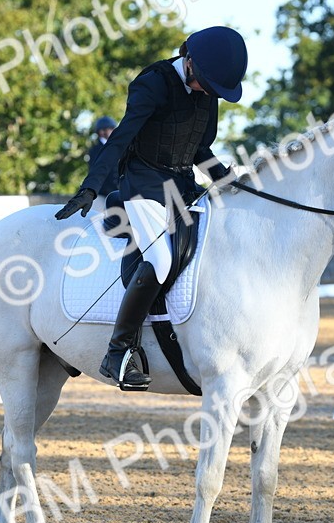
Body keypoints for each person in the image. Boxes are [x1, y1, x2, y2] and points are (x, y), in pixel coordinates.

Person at [55, 26, 247, 388]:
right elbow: (121, 139)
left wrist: (225, 178)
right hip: (143, 185)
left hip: (184, 185)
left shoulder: (208, 88)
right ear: (189, 63)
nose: (209, 93)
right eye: (206, 83)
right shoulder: (153, 83)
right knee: (159, 259)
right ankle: (118, 353)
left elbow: (199, 150)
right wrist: (90, 186)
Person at [86, 116, 119, 197]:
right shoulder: (95, 150)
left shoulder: (116, 147)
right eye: (110, 129)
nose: (113, 131)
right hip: (102, 193)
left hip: (117, 191)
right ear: (101, 131)